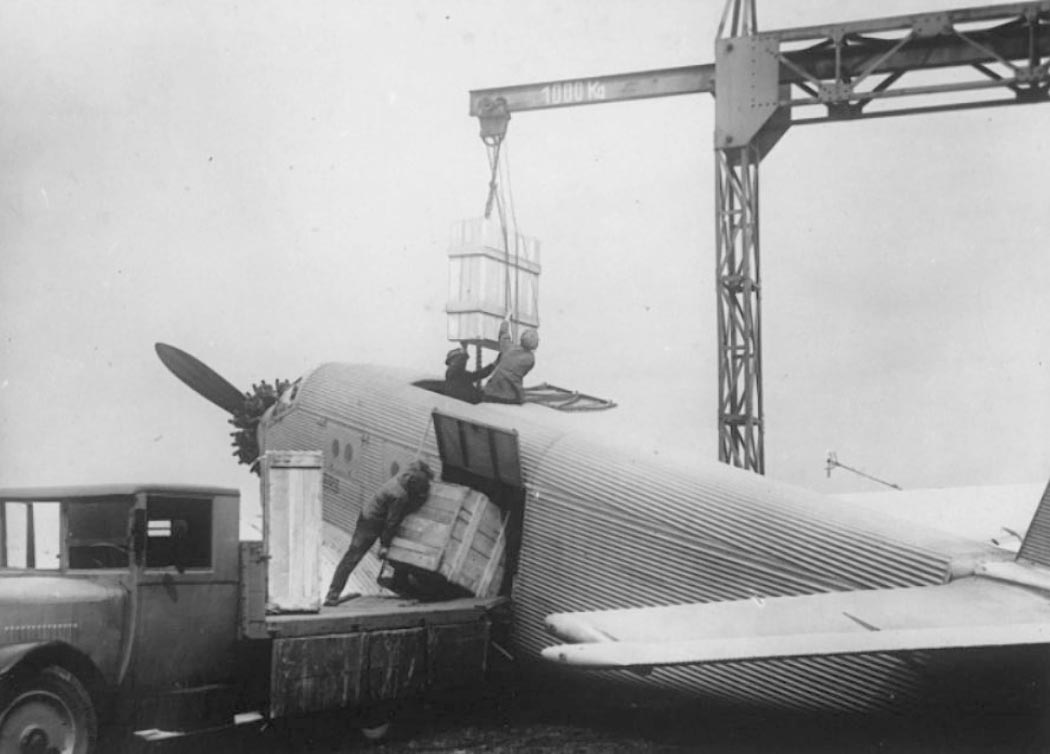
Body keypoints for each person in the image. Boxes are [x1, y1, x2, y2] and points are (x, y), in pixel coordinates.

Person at [324, 460, 434, 606]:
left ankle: (400, 583)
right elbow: (391, 523)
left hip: (371, 516)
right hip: (370, 523)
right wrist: (384, 546)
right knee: (353, 556)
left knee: (357, 555)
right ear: (413, 485)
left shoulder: (406, 475)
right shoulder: (399, 495)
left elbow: (419, 464)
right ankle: (332, 595)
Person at [482, 318, 538, 404]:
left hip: (491, 392)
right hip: (511, 396)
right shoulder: (531, 359)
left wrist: (506, 319)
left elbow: (503, 334)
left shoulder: (509, 347)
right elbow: (521, 372)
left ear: (521, 339)